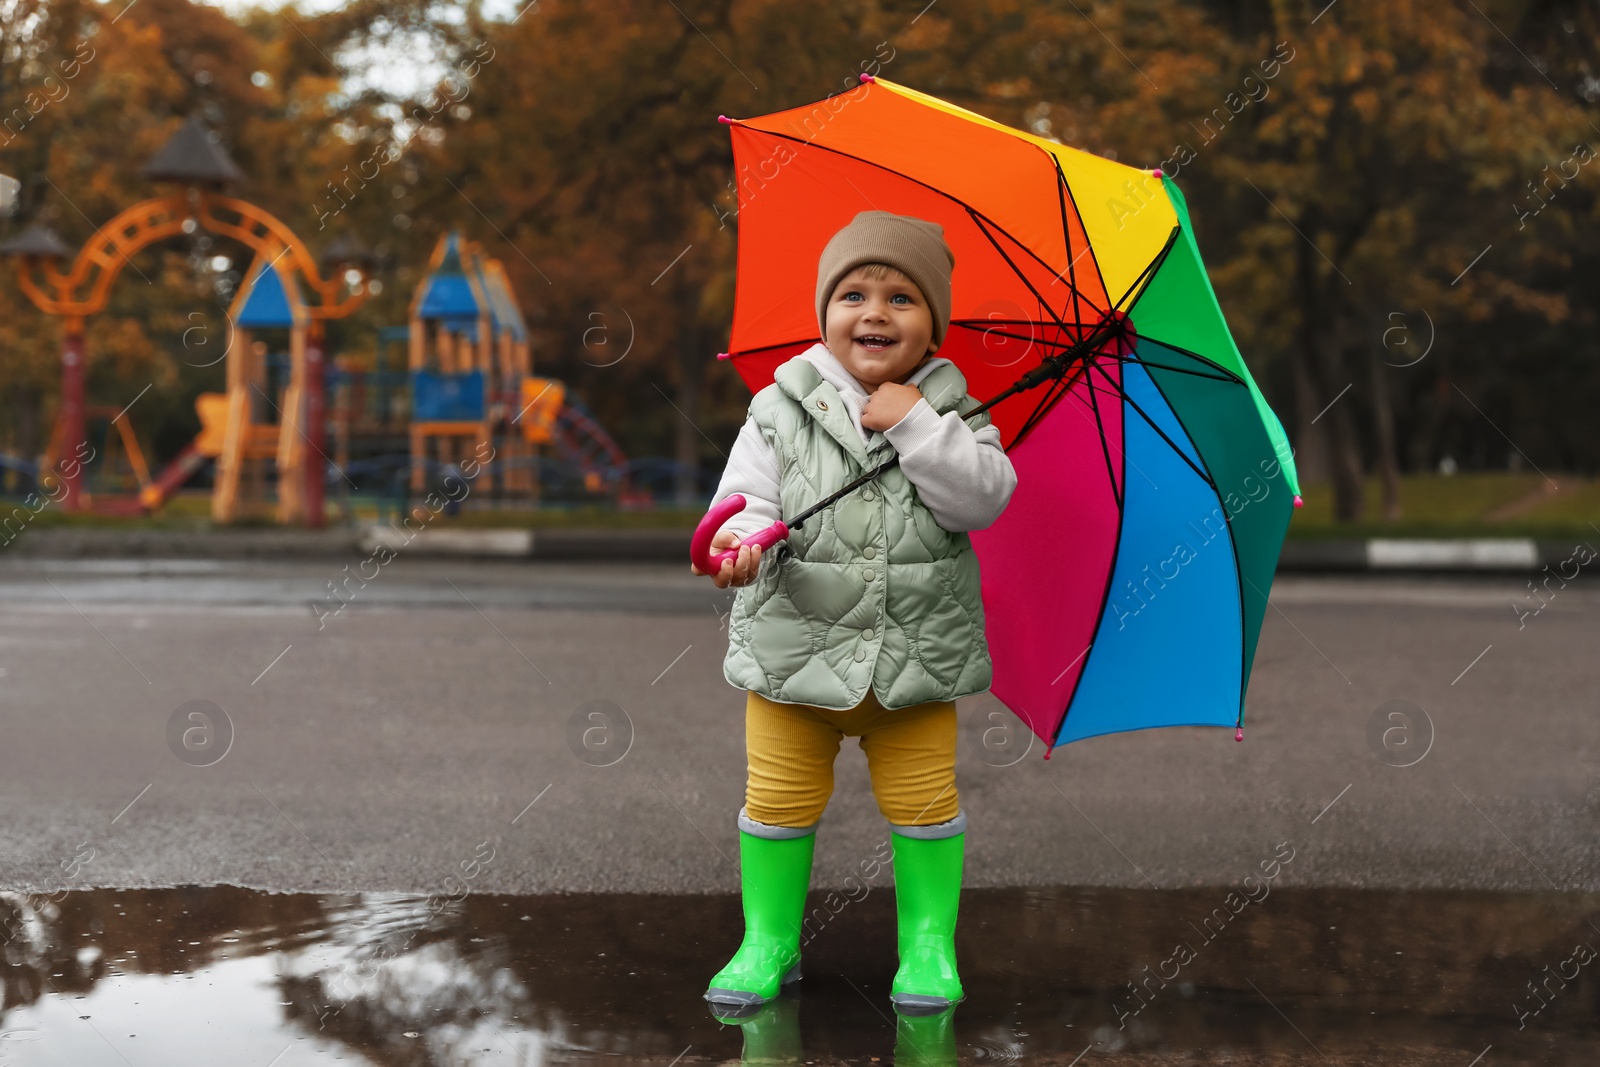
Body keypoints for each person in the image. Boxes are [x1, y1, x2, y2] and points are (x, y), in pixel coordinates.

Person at [691, 210, 1017, 1015]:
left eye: (902, 297)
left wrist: (914, 424)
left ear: (933, 324)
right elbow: (743, 499)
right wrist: (742, 540)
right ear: (824, 312)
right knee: (775, 802)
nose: (874, 312)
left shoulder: (954, 414)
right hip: (792, 656)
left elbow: (982, 498)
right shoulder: (781, 408)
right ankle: (767, 938)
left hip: (914, 667)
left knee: (925, 805)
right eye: (854, 294)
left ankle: (928, 945)